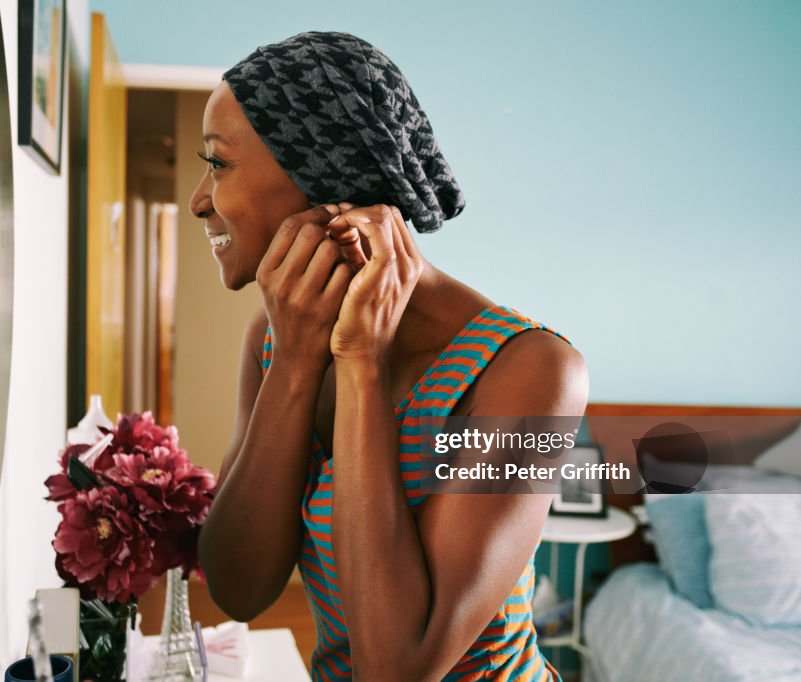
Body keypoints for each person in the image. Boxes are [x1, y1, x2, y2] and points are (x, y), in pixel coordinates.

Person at [192, 31, 588, 681]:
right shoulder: (272, 340)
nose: (199, 200)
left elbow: (396, 670)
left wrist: (361, 366)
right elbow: (238, 589)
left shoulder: (530, 370)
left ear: (319, 177)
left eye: (219, 163)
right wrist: (294, 365)